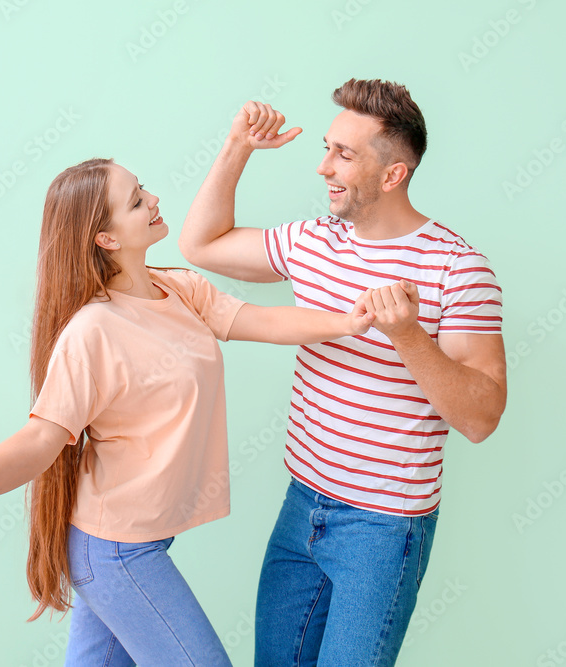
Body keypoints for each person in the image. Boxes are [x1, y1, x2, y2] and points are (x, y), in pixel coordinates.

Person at [0, 157, 385, 666]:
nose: (155, 199)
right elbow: (40, 440)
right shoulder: (92, 332)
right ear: (106, 238)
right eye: (137, 201)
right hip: (114, 550)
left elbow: (261, 321)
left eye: (145, 189)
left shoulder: (178, 288)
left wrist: (350, 321)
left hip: (130, 542)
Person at [178, 79, 508, 666]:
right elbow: (201, 245)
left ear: (393, 175)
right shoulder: (314, 240)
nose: (323, 166)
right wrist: (238, 146)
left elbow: (481, 416)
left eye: (344, 154)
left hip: (383, 529)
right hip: (301, 503)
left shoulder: (457, 268)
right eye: (327, 147)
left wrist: (407, 334)